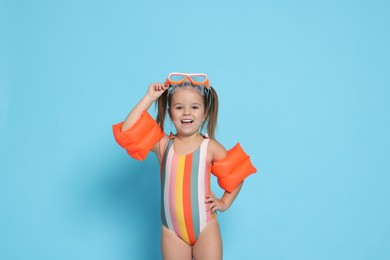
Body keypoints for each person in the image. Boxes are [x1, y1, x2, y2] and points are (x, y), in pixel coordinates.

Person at [113, 72, 257, 260]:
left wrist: (224, 203)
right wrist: (149, 97)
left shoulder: (210, 147)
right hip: (172, 232)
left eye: (194, 107)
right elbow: (128, 130)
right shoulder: (163, 145)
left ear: (204, 113)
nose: (187, 113)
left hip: (205, 228)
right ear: (170, 111)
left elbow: (237, 173)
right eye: (179, 107)